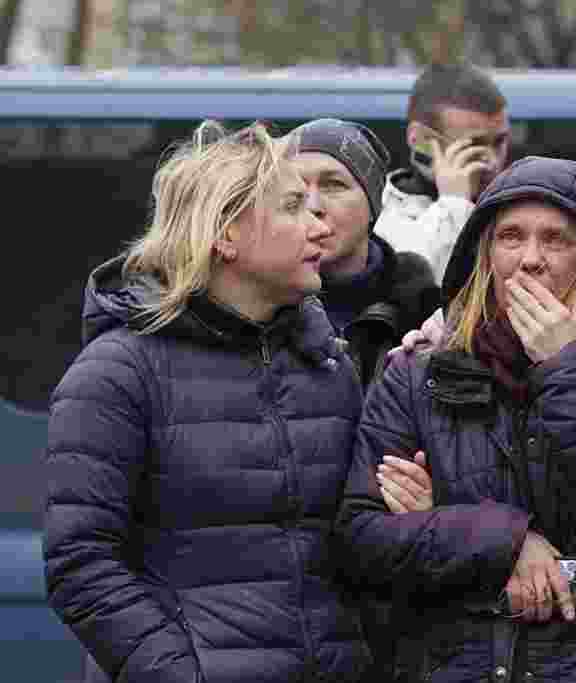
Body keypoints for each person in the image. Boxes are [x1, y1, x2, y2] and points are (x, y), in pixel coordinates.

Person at [337, 155, 576, 682]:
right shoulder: (417, 375)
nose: (530, 260)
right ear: (485, 255)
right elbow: (361, 538)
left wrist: (567, 372)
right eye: (510, 237)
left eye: (555, 240)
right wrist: (502, 541)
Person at [43, 122, 371, 682]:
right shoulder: (117, 372)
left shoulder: (329, 366)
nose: (321, 224)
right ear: (225, 233)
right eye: (293, 206)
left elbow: (352, 551)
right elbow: (81, 562)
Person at [291, 117, 440, 386]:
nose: (312, 205)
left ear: (373, 204)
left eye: (333, 185)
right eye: (295, 189)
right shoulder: (258, 313)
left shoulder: (426, 315)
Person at [374, 62, 511, 284]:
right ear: (419, 140)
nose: (493, 162)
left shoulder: (518, 209)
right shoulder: (380, 219)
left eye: (499, 142)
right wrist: (454, 205)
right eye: (474, 146)